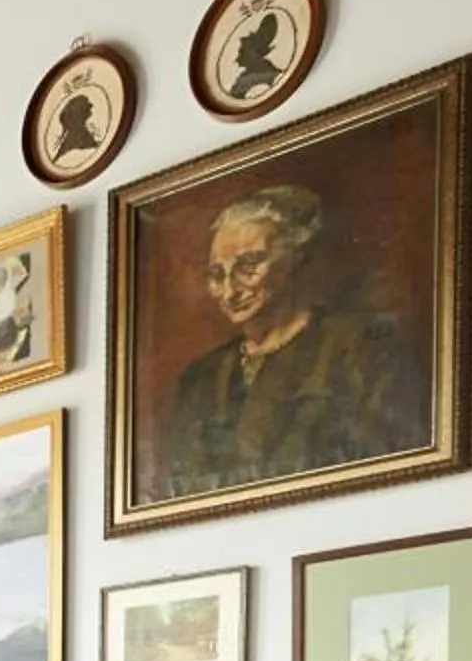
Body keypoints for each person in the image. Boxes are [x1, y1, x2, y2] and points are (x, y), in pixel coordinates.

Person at [159, 183, 428, 501]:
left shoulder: (360, 349)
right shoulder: (200, 378)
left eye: (248, 266)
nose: (229, 291)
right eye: (217, 274)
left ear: (297, 259)